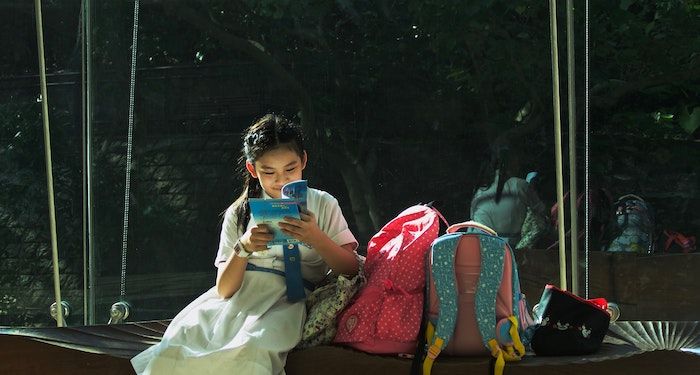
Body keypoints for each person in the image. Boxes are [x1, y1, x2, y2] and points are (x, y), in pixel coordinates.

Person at [131, 114, 359, 374]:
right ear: (253, 170)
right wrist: (244, 247)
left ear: (304, 161)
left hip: (287, 301)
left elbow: (351, 269)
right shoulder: (240, 212)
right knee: (179, 345)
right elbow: (225, 290)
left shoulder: (323, 203)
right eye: (269, 172)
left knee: (252, 351)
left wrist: (315, 237)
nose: (281, 180)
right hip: (236, 301)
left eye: (290, 169)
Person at [470, 143, 547, 249]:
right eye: (517, 159)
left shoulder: (480, 190)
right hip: (509, 249)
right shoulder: (519, 185)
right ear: (512, 162)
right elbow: (541, 211)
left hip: (478, 246)